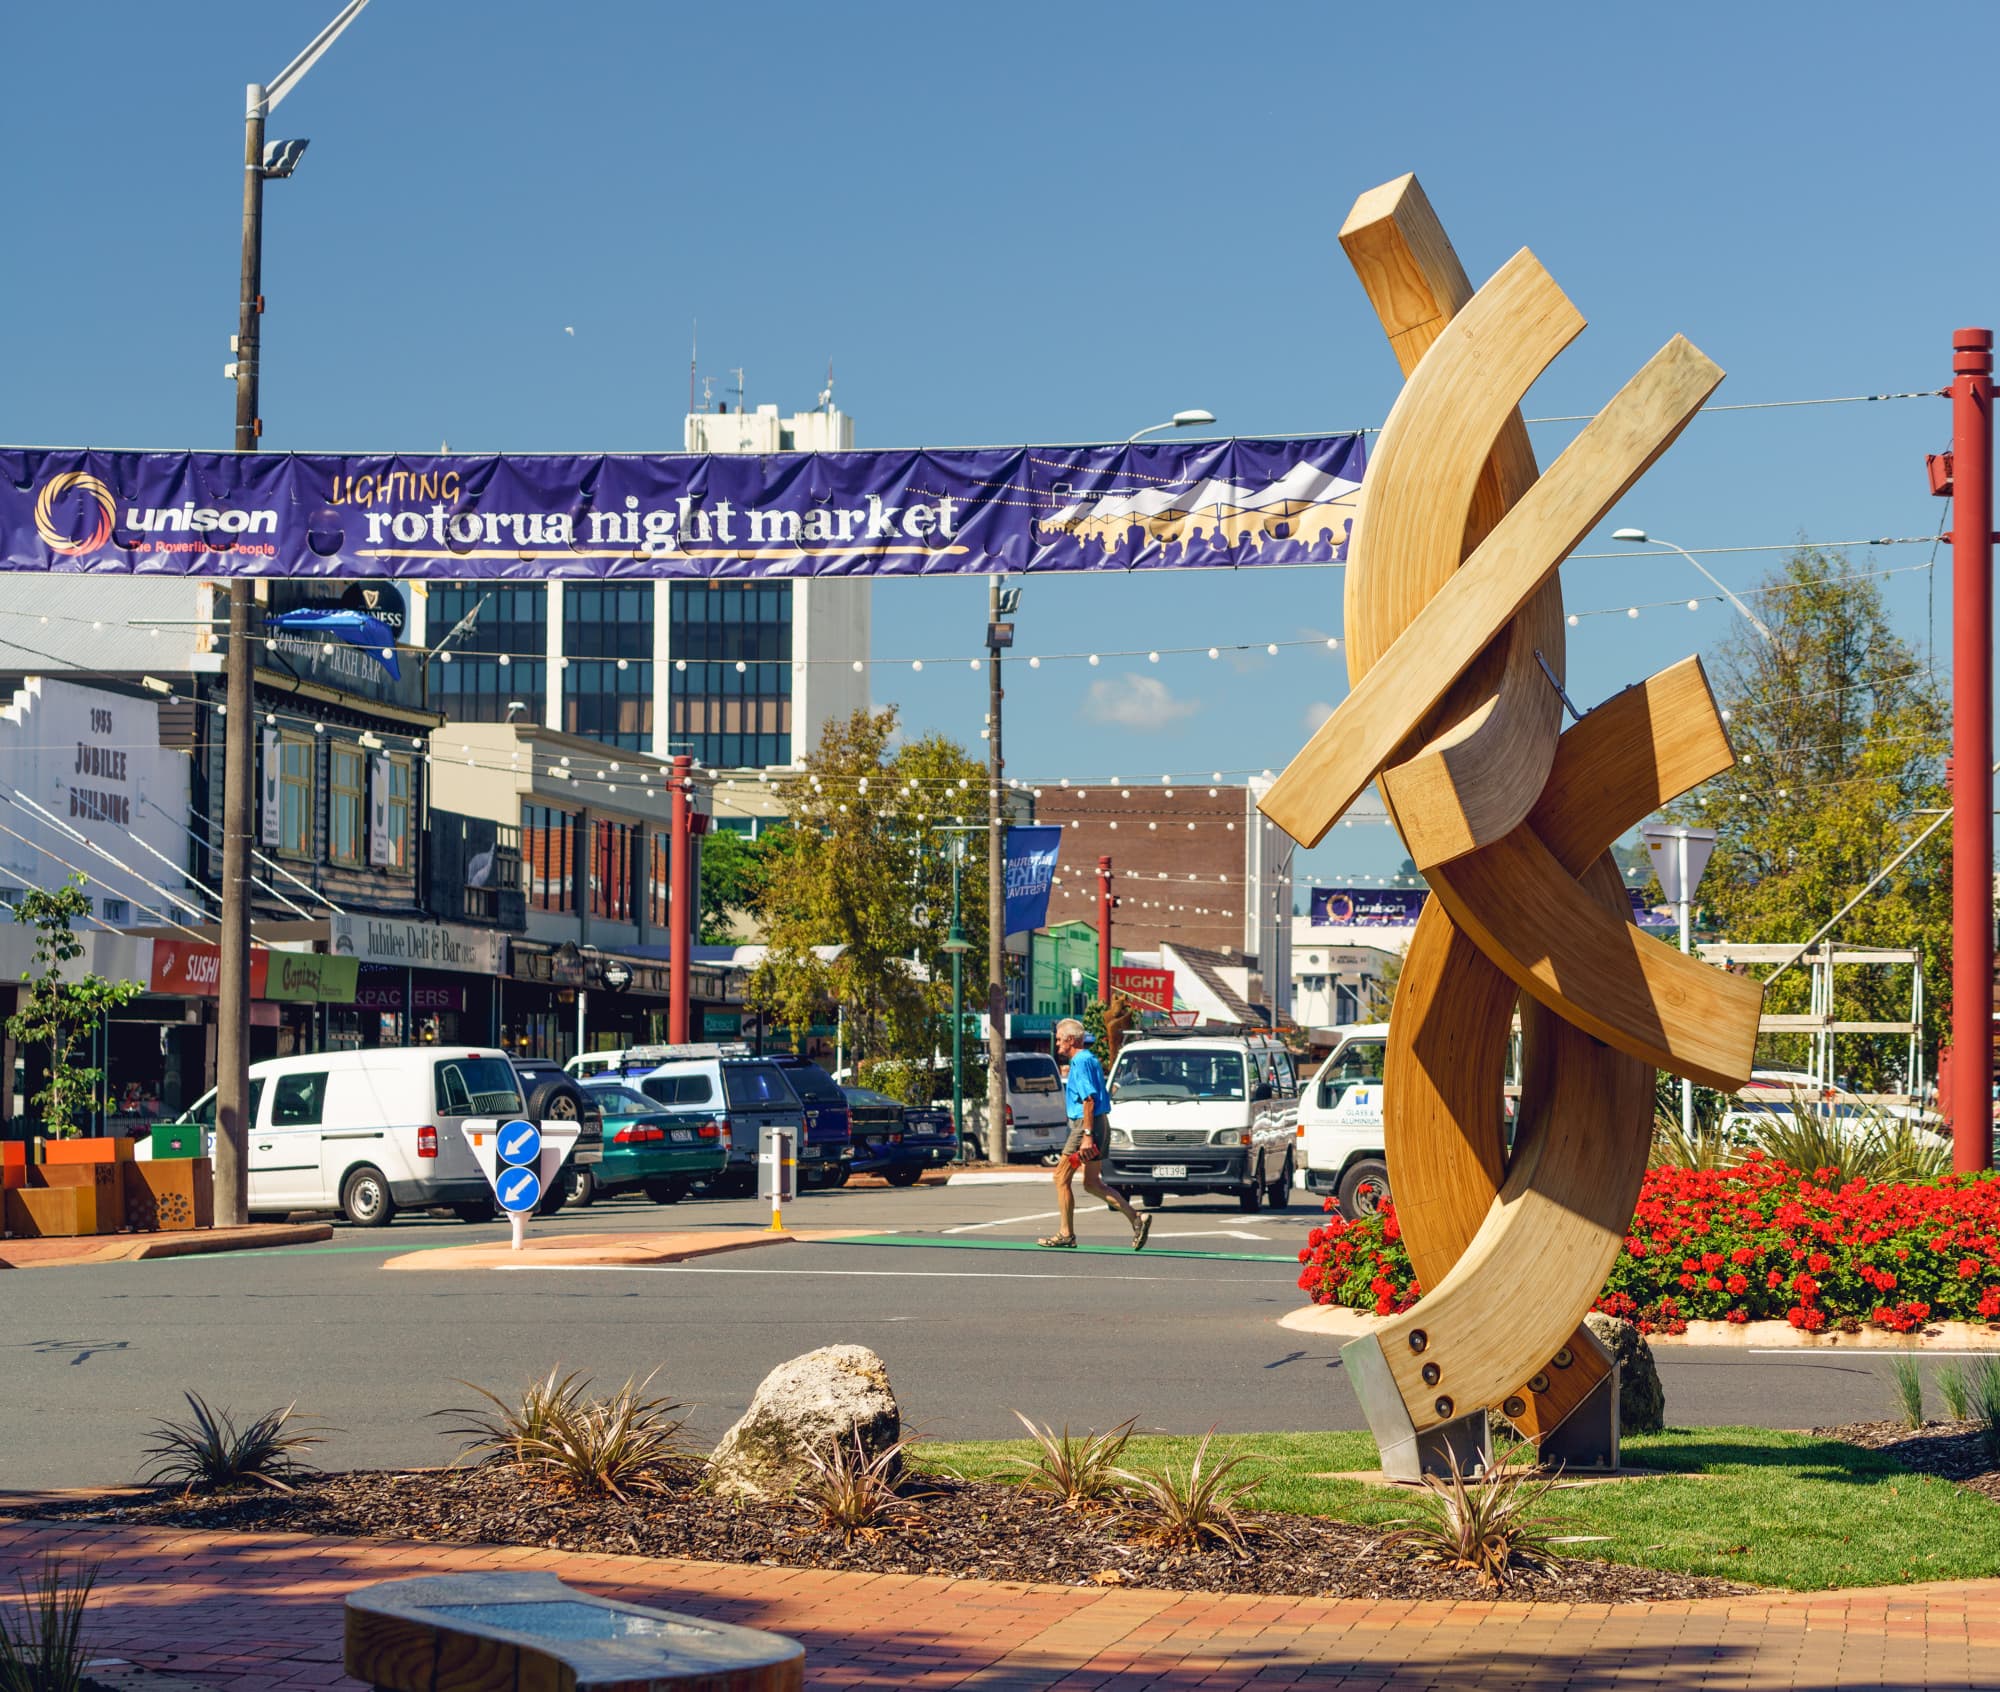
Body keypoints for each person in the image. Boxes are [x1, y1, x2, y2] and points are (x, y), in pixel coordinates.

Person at [1040, 1017, 1150, 1250]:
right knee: (1091, 1183)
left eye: (1060, 1040)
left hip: (1085, 1127)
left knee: (1061, 1177)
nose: (1057, 1044)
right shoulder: (1090, 1059)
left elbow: (1088, 1099)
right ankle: (1136, 1218)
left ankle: (1066, 1233)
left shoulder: (1079, 1062)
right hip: (1100, 1124)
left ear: (1071, 1040)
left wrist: (1087, 1136)